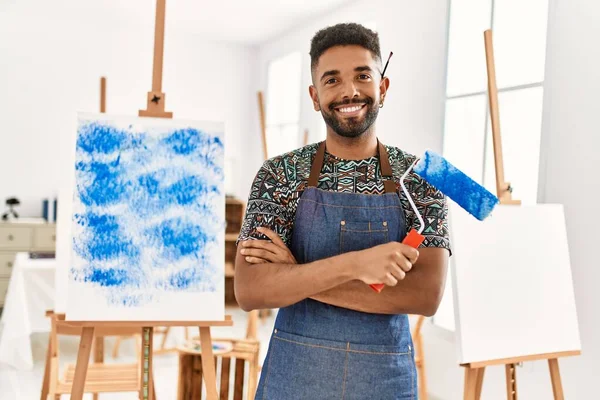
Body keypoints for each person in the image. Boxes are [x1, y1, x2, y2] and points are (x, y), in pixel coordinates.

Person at [235, 22, 451, 399]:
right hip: (294, 380)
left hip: (384, 381)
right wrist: (356, 265)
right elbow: (251, 290)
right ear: (315, 96)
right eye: (331, 80)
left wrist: (294, 276)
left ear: (382, 87)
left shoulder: (423, 179)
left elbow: (425, 296)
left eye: (363, 76)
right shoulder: (279, 175)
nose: (349, 91)